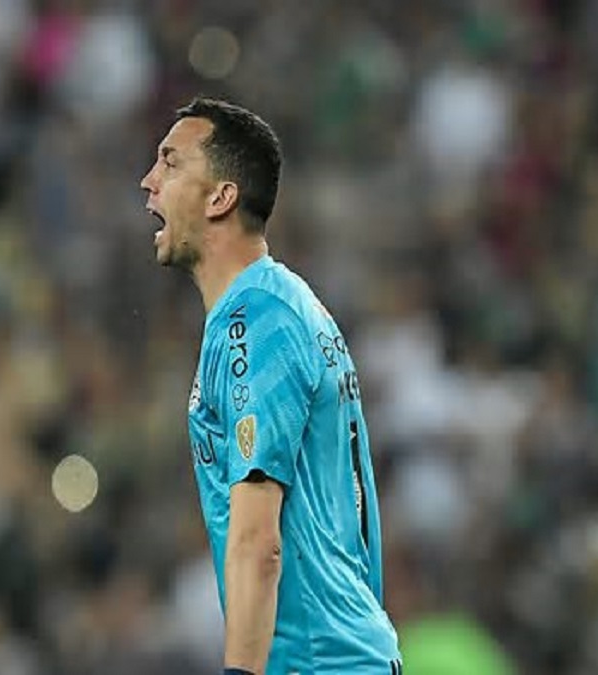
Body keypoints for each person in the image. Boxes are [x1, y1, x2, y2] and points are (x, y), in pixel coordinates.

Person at [140, 97, 402, 674]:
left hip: (317, 661)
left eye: (170, 163)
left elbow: (259, 540)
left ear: (220, 197)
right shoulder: (283, 305)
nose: (149, 181)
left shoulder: (255, 320)